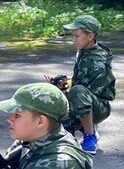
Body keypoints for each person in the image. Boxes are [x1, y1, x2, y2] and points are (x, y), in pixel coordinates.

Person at [45, 14, 115, 154]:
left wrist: (67, 94)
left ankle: (90, 137)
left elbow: (84, 92)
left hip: (98, 107)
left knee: (76, 94)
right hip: (85, 100)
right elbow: (79, 82)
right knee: (51, 129)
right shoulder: (85, 51)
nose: (73, 40)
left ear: (90, 36)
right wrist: (62, 85)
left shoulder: (96, 61)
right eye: (73, 36)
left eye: (77, 36)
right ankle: (83, 126)